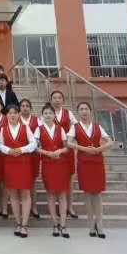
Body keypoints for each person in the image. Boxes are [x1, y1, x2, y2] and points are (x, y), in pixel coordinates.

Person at [67, 102, 113, 239]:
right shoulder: (75, 127)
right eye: (81, 109)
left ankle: (100, 224)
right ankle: (91, 225)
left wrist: (99, 149)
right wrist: (84, 149)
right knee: (87, 194)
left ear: (90, 111)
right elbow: (68, 142)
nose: (84, 111)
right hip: (84, 163)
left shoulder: (97, 126)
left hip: (97, 163)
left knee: (97, 194)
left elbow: (110, 141)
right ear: (78, 112)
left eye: (86, 109)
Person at [0, 104, 37, 238]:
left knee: (25, 193)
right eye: (10, 113)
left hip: (23, 164)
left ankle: (24, 224)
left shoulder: (25, 128)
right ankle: (18, 223)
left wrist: (21, 149)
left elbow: (33, 144)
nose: (12, 115)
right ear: (6, 115)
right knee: (13, 194)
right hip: (10, 164)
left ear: (19, 114)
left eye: (15, 113)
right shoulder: (3, 129)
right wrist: (8, 150)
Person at [34, 103, 70, 238]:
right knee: (50, 194)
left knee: (62, 195)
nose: (48, 115)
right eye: (45, 113)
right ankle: (55, 224)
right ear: (42, 116)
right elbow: (35, 147)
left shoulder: (60, 129)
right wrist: (48, 153)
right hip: (48, 165)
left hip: (61, 165)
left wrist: (59, 151)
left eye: (50, 113)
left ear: (54, 115)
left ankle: (63, 225)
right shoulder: (39, 129)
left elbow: (67, 147)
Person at [50, 90, 78, 218]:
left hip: (67, 150)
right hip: (53, 152)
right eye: (54, 98)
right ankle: (59, 206)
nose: (57, 100)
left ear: (63, 100)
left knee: (69, 180)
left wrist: (69, 137)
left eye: (59, 98)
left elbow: (76, 127)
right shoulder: (47, 113)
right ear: (51, 100)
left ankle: (70, 207)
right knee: (56, 180)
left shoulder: (68, 113)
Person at [19, 98, 41, 219]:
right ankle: (22, 206)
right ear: (19, 108)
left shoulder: (37, 120)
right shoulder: (16, 119)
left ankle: (34, 206)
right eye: (23, 106)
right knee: (20, 182)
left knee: (32, 182)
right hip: (20, 156)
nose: (25, 108)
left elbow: (41, 136)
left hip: (33, 155)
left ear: (31, 108)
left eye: (27, 106)